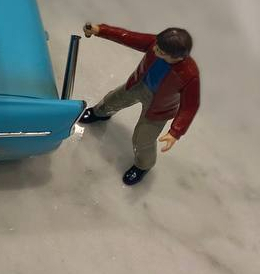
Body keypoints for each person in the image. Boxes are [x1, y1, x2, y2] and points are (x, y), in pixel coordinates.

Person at [79, 24, 200, 185]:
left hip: (159, 107)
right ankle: (100, 114)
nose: (154, 49)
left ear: (176, 56)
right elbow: (128, 36)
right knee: (112, 100)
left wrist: (175, 131)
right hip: (138, 85)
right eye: (156, 46)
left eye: (160, 51)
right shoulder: (156, 44)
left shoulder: (190, 75)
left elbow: (189, 106)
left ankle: (143, 165)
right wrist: (100, 30)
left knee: (143, 140)